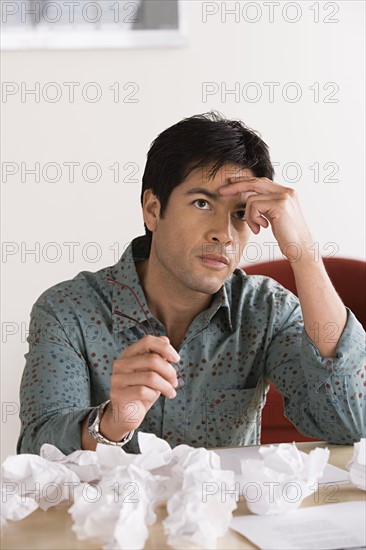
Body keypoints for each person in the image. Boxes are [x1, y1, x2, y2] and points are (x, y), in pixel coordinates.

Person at [17, 112, 365, 455]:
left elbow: (349, 424)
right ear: (153, 210)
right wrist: (112, 422)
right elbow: (34, 451)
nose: (223, 234)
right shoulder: (67, 310)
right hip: (102, 511)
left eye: (240, 214)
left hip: (226, 510)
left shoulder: (267, 310)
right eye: (202, 203)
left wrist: (303, 251)